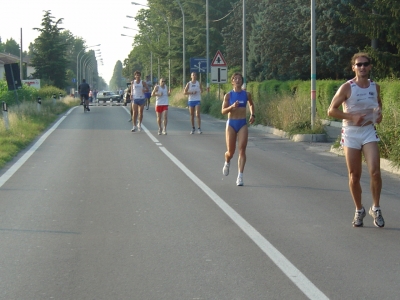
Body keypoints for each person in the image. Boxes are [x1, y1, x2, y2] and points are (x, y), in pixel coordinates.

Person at [327, 52, 384, 228]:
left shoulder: (375, 87)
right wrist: (351, 116)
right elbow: (331, 110)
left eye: (365, 64)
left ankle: (376, 207)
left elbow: (379, 105)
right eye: (358, 65)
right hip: (351, 132)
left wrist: (379, 114)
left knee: (375, 171)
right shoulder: (347, 87)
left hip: (368, 131)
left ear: (370, 67)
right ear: (353, 68)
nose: (362, 67)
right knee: (354, 175)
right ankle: (359, 209)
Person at [221, 72, 255, 186]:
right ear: (232, 82)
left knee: (242, 149)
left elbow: (251, 104)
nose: (237, 80)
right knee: (231, 152)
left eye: (239, 79)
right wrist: (231, 107)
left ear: (242, 81)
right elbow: (223, 111)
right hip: (231, 124)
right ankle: (227, 161)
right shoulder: (228, 96)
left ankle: (240, 176)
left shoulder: (246, 94)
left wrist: (252, 114)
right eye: (235, 79)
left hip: (242, 123)